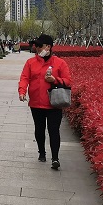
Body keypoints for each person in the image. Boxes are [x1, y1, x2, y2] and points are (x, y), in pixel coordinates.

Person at [18, 33, 71, 169]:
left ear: (48, 47)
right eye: (36, 46)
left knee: (54, 130)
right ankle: (41, 152)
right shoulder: (30, 62)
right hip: (36, 103)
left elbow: (68, 81)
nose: (37, 48)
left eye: (40, 46)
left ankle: (55, 158)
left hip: (54, 103)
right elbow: (24, 78)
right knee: (39, 129)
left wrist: (55, 80)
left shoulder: (60, 63)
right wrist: (22, 91)